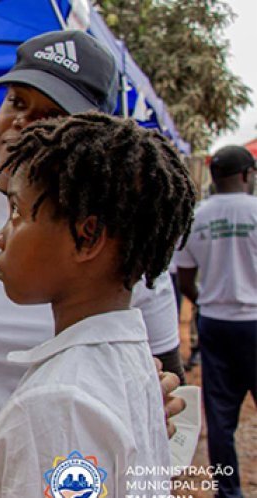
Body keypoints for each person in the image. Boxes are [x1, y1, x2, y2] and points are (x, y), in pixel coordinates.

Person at [0, 30, 185, 498]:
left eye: (52, 116)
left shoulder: (124, 240)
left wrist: (147, 396)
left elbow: (165, 379)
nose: (22, 123)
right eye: (17, 102)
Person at [0, 112, 195, 496]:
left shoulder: (59, 405)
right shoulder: (129, 363)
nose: (0, 237)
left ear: (87, 238)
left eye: (18, 213)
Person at [173, 144, 256, 497]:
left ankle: (228, 491)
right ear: (246, 175)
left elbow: (186, 277)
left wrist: (205, 303)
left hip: (215, 325)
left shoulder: (198, 216)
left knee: (220, 417)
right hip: (255, 321)